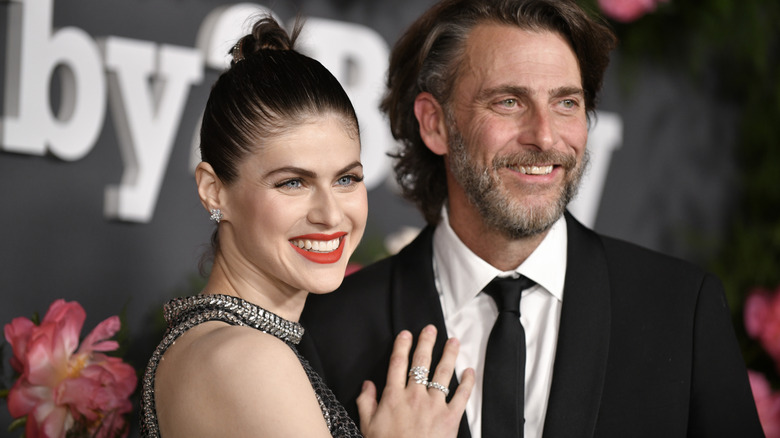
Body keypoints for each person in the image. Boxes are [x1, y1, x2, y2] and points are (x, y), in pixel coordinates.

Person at [299, 0, 764, 436]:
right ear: (435, 123)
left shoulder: (681, 310)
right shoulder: (333, 329)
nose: (545, 136)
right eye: (508, 101)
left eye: (566, 103)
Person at [139, 16, 474, 438]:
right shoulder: (248, 359)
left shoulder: (215, 343)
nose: (331, 215)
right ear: (214, 190)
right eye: (292, 182)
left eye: (346, 179)